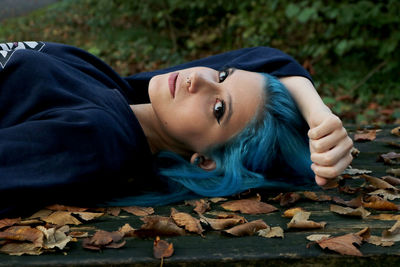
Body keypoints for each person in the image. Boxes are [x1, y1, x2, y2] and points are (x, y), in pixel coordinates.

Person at [0, 41, 353, 217]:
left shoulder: (98, 137)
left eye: (218, 108)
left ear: (205, 162)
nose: (197, 77)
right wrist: (319, 115)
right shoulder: (125, 95)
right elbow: (268, 59)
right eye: (222, 75)